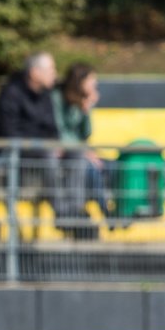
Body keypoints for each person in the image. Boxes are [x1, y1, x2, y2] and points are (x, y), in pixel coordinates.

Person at [0, 52, 84, 233]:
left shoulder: (46, 95)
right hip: (19, 158)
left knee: (76, 154)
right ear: (34, 73)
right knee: (48, 155)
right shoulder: (11, 94)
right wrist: (43, 144)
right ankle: (62, 213)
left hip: (44, 151)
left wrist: (56, 144)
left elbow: (52, 128)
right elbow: (9, 133)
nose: (55, 74)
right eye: (51, 69)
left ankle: (75, 210)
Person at [52, 62, 110, 221]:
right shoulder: (57, 98)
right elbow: (59, 132)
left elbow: (86, 133)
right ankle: (104, 211)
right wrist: (84, 151)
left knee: (109, 165)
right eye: (91, 81)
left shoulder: (81, 102)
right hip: (66, 153)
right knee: (91, 168)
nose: (95, 85)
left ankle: (107, 210)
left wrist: (87, 109)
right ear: (80, 81)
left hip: (79, 151)